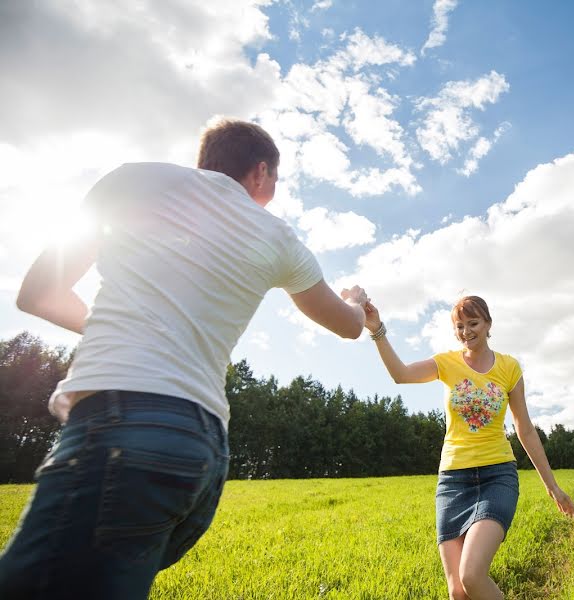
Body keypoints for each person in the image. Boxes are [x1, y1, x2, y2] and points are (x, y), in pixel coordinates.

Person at [0, 119, 369, 599]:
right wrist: (356, 298)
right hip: (201, 450)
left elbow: (38, 293)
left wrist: (123, 327)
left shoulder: (132, 180)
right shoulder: (278, 237)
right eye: (275, 181)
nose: (272, 192)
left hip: (119, 430)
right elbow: (349, 324)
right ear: (260, 171)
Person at [364, 295, 574, 600]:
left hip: (497, 477)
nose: (466, 331)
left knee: (472, 576)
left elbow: (525, 429)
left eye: (473, 323)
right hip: (452, 482)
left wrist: (552, 486)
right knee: (458, 592)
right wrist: (377, 329)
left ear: (488, 324)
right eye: (459, 326)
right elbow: (401, 375)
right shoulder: (446, 363)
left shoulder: (509, 367)